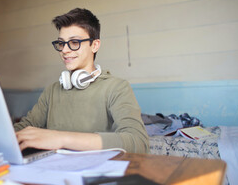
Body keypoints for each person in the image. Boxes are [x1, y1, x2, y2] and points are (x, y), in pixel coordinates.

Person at [14, 8, 149, 153]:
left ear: (95, 45)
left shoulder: (116, 88)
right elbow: (23, 129)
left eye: (74, 42)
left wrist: (61, 138)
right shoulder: (52, 91)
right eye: (61, 43)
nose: (64, 50)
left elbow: (138, 142)